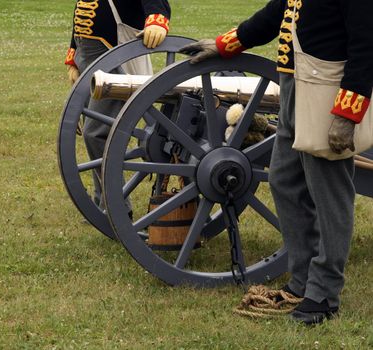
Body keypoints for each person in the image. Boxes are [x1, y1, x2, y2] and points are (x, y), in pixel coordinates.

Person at [180, 0, 372, 325]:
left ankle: (323, 293)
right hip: (294, 85)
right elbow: (274, 16)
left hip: (328, 92)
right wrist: (225, 44)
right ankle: (301, 280)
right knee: (284, 181)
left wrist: (347, 114)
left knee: (330, 195)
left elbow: (367, 46)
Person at [64, 0, 171, 212]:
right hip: (89, 55)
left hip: (112, 57)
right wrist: (73, 56)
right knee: (94, 131)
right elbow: (82, 10)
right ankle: (101, 199)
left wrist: (158, 19)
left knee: (95, 133)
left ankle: (116, 205)